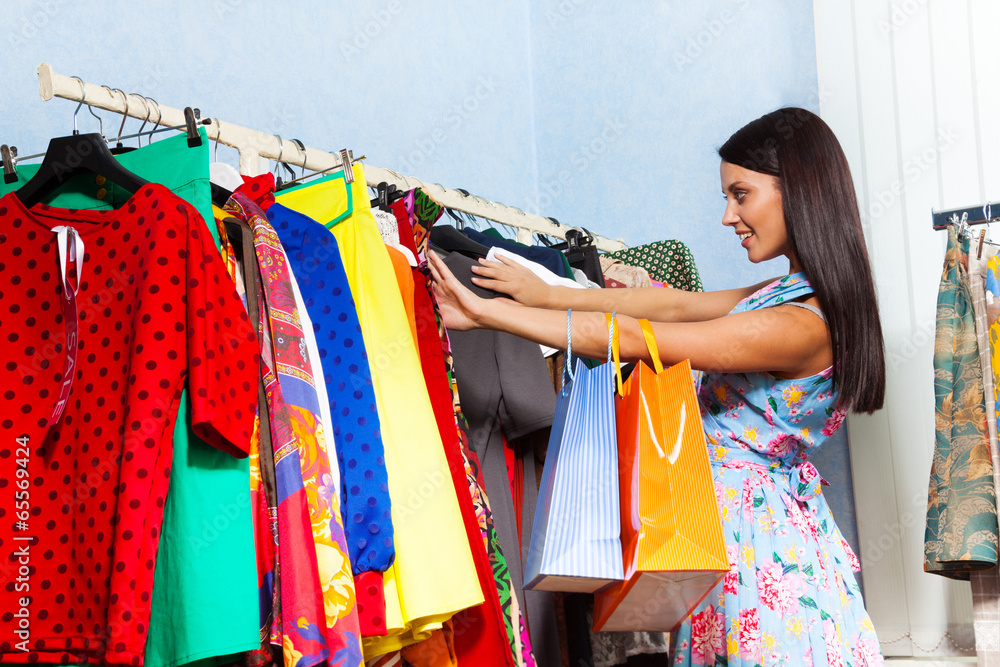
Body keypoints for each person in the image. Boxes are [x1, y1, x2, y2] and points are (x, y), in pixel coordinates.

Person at [428, 107, 886, 666]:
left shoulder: (798, 326)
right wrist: (545, 292)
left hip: (757, 550)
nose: (727, 216)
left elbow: (637, 338)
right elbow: (671, 303)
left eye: (740, 195)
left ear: (799, 190)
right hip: (748, 532)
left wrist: (490, 315)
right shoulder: (786, 294)